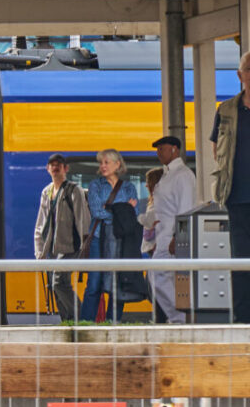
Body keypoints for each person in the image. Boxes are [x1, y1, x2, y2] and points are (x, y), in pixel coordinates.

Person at [210, 50, 250, 323]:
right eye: (249, 69)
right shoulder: (225, 111)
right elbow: (217, 149)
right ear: (240, 75)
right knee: (241, 262)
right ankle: (243, 321)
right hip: (237, 197)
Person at [81, 149, 142, 322]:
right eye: (101, 163)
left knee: (118, 281)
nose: (103, 166)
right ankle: (86, 323)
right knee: (94, 283)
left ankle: (113, 321)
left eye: (107, 162)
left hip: (119, 239)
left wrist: (114, 210)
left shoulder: (129, 187)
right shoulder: (95, 185)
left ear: (118, 164)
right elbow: (96, 211)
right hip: (98, 238)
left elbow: (133, 213)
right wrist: (122, 210)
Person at [144, 134, 196, 324]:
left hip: (173, 237)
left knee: (160, 276)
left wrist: (178, 236)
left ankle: (180, 319)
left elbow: (186, 207)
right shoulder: (168, 174)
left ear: (174, 149)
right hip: (163, 236)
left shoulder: (183, 175)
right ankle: (178, 318)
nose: (158, 153)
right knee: (159, 277)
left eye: (162, 149)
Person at [33, 154, 92, 322]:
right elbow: (41, 223)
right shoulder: (47, 192)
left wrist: (85, 246)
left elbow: (83, 218)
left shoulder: (74, 190)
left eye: (59, 164)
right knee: (54, 286)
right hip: (52, 248)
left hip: (71, 246)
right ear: (47, 169)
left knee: (59, 282)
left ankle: (81, 319)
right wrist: (40, 252)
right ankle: (67, 322)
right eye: (52, 164)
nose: (55, 166)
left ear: (66, 169)